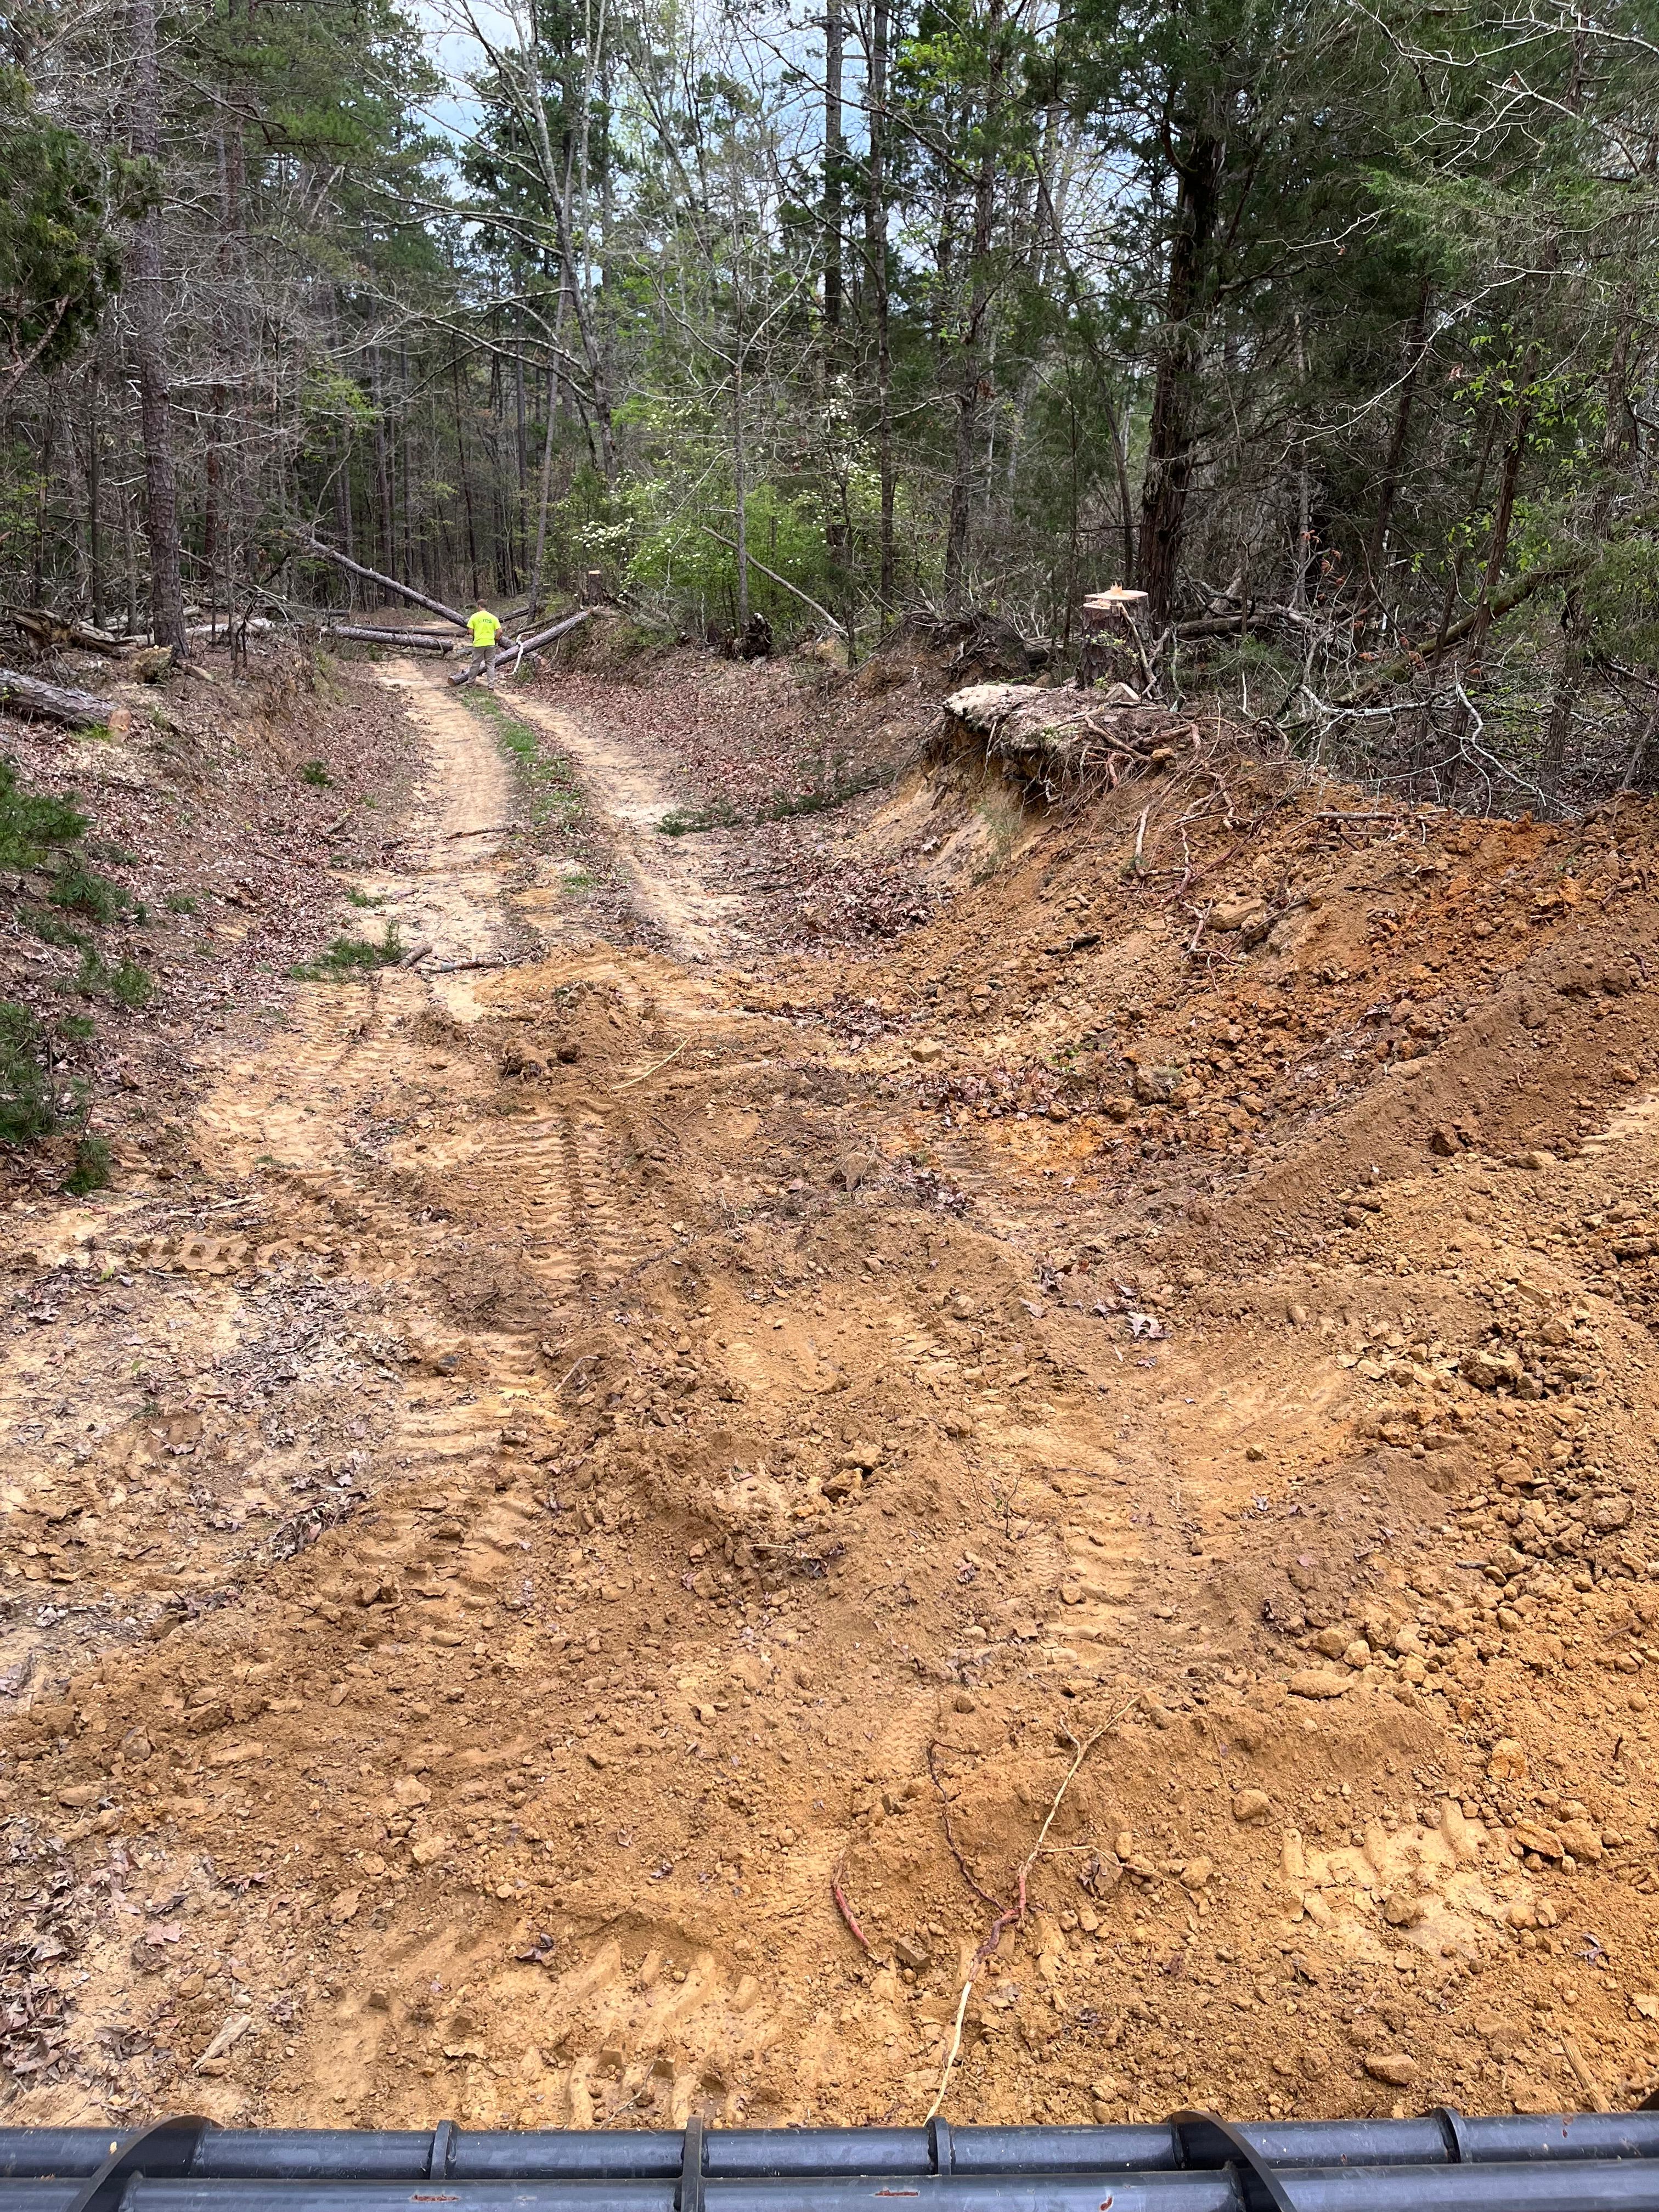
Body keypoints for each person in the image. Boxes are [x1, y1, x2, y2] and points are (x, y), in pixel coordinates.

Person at [462, 603, 503, 685]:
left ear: (479, 606)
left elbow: (470, 631)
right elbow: (500, 631)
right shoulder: (493, 617)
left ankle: (470, 683)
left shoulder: (474, 617)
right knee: (490, 665)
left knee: (476, 664)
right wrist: (496, 639)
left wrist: (476, 636)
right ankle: (491, 685)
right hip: (490, 643)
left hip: (479, 644)